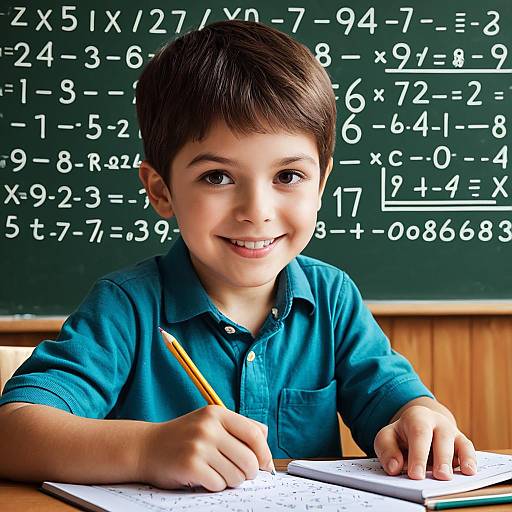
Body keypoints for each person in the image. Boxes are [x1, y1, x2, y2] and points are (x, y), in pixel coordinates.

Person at [0, 20, 476, 491]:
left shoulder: (332, 299)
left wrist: (421, 417)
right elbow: (12, 433)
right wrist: (147, 449)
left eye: (288, 176)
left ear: (321, 182)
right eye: (217, 177)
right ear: (161, 191)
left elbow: (399, 404)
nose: (257, 212)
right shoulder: (126, 307)